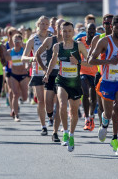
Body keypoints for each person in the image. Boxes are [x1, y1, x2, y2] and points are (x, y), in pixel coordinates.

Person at [89, 15, 118, 158]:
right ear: (111, 27)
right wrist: (108, 61)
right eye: (117, 27)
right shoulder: (104, 41)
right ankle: (104, 122)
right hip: (107, 82)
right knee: (108, 113)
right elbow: (91, 60)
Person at [43, 21, 89, 152]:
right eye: (64, 31)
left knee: (74, 112)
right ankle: (65, 132)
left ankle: (72, 135)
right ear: (60, 32)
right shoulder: (57, 47)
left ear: (73, 32)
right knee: (62, 105)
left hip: (75, 83)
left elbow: (91, 63)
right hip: (61, 81)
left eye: (69, 31)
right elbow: (53, 60)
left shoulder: (79, 45)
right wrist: (47, 74)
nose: (67, 33)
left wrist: (78, 61)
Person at [35, 18, 64, 142]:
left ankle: (55, 132)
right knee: (48, 103)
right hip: (50, 75)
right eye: (59, 26)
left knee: (60, 104)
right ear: (56, 28)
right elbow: (37, 54)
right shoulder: (50, 40)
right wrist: (44, 68)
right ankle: (50, 116)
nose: (62, 29)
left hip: (63, 76)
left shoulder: (71, 43)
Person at [22, 16, 50, 136]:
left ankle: (51, 117)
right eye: (42, 24)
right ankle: (43, 126)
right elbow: (23, 57)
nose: (44, 26)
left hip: (50, 72)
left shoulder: (52, 39)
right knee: (41, 101)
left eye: (46, 24)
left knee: (51, 99)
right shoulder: (33, 40)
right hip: (37, 72)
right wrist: (32, 58)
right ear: (37, 25)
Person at [78, 23, 98, 131]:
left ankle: (91, 116)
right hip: (83, 72)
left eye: (93, 29)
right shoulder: (81, 41)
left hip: (94, 73)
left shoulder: (98, 41)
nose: (91, 31)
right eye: (89, 29)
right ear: (86, 30)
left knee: (93, 98)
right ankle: (86, 118)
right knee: (85, 93)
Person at [7, 34, 29, 122]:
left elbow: (29, 60)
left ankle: (20, 101)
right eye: (15, 41)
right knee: (15, 94)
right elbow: (6, 63)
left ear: (21, 41)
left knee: (25, 97)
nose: (17, 43)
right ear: (12, 41)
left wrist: (28, 66)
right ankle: (16, 115)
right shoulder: (9, 52)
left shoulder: (24, 51)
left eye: (19, 41)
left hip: (23, 75)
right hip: (14, 75)